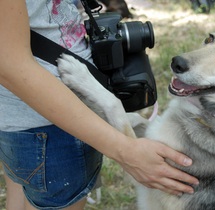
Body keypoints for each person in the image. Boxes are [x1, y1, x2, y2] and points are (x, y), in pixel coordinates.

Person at [0, 1, 199, 209]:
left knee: (20, 195)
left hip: (24, 121)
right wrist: (125, 150)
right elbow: (10, 64)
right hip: (54, 128)